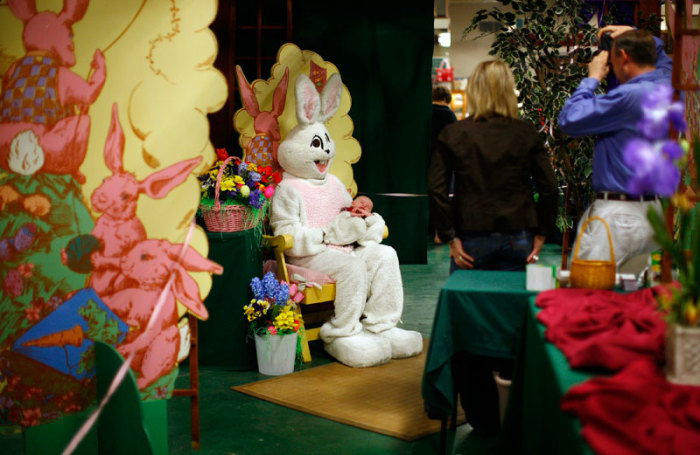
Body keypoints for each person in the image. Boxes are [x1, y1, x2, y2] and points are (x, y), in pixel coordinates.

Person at [427, 60, 558, 434]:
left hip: (471, 242)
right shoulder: (527, 133)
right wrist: (541, 233)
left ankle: (480, 413)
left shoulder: (455, 135)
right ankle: (514, 403)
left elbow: (436, 187)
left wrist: (449, 236)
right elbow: (548, 187)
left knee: (469, 323)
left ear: (475, 91)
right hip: (518, 240)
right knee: (514, 320)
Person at [558, 25, 672, 271]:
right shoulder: (669, 87)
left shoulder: (629, 97)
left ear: (624, 58)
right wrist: (634, 33)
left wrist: (592, 79)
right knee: (637, 302)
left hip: (619, 216)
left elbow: (569, 119)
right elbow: (663, 61)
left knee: (590, 296)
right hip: (652, 212)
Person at [429, 85, 458, 242]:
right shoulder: (449, 115)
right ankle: (439, 233)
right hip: (445, 162)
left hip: (425, 160)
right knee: (443, 197)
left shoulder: (425, 113)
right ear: (447, 99)